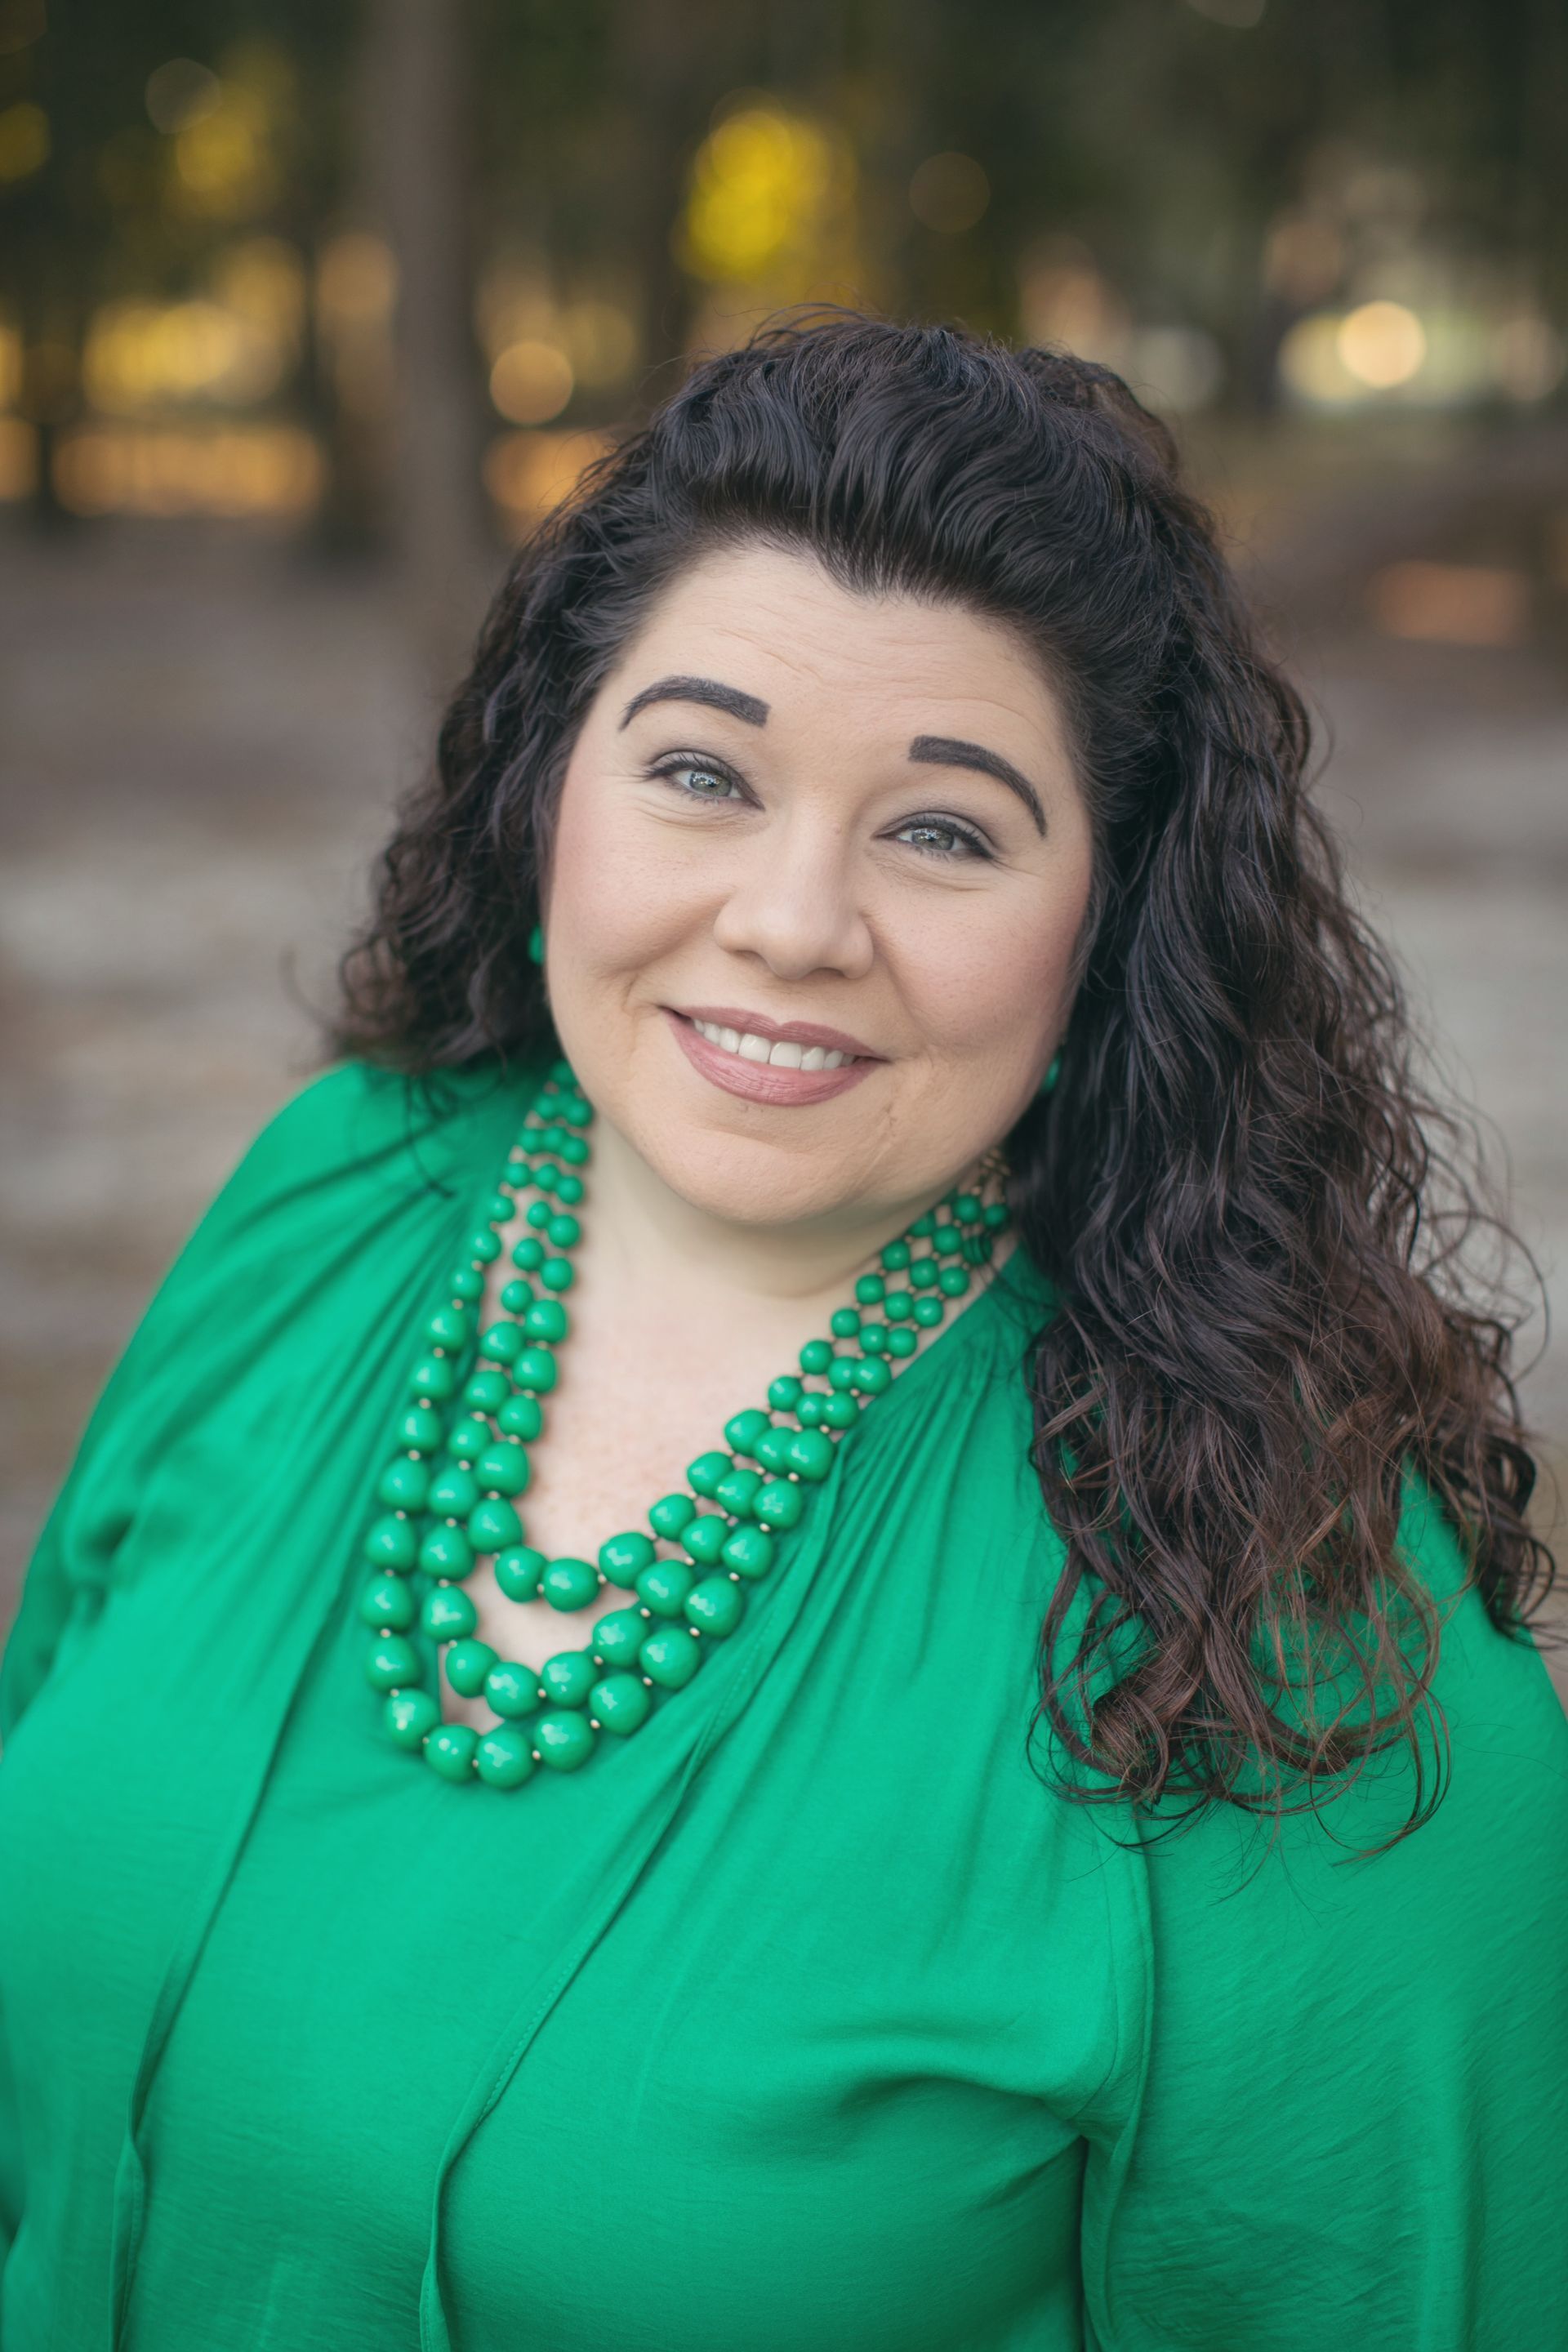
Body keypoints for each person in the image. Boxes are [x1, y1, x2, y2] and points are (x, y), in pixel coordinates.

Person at [1, 314, 1564, 2352]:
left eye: (942, 829)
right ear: (552, 786)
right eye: (701, 774)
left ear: (1114, 922)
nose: (792, 919)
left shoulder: (1286, 1614)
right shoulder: (338, 1202)